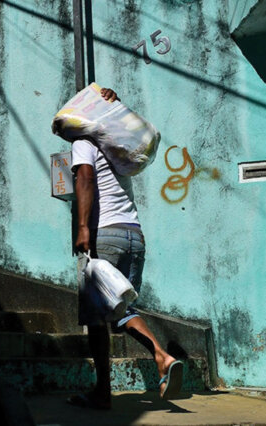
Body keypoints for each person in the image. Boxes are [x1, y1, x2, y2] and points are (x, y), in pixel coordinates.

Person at [67, 87, 183, 409]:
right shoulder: (118, 145)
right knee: (122, 309)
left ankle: (148, 363)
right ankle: (157, 359)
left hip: (105, 235)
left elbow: (86, 179)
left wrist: (82, 228)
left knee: (95, 317)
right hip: (134, 235)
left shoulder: (83, 143)